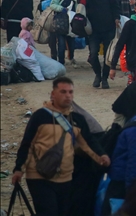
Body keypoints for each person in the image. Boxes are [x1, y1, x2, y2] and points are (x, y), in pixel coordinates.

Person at [12, 77, 110, 216]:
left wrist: (101, 156)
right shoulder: (40, 117)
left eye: (70, 92)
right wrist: (19, 169)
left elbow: (88, 143)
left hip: (65, 178)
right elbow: (27, 144)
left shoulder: (77, 120)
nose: (68, 96)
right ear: (53, 94)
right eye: (63, 92)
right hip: (39, 177)